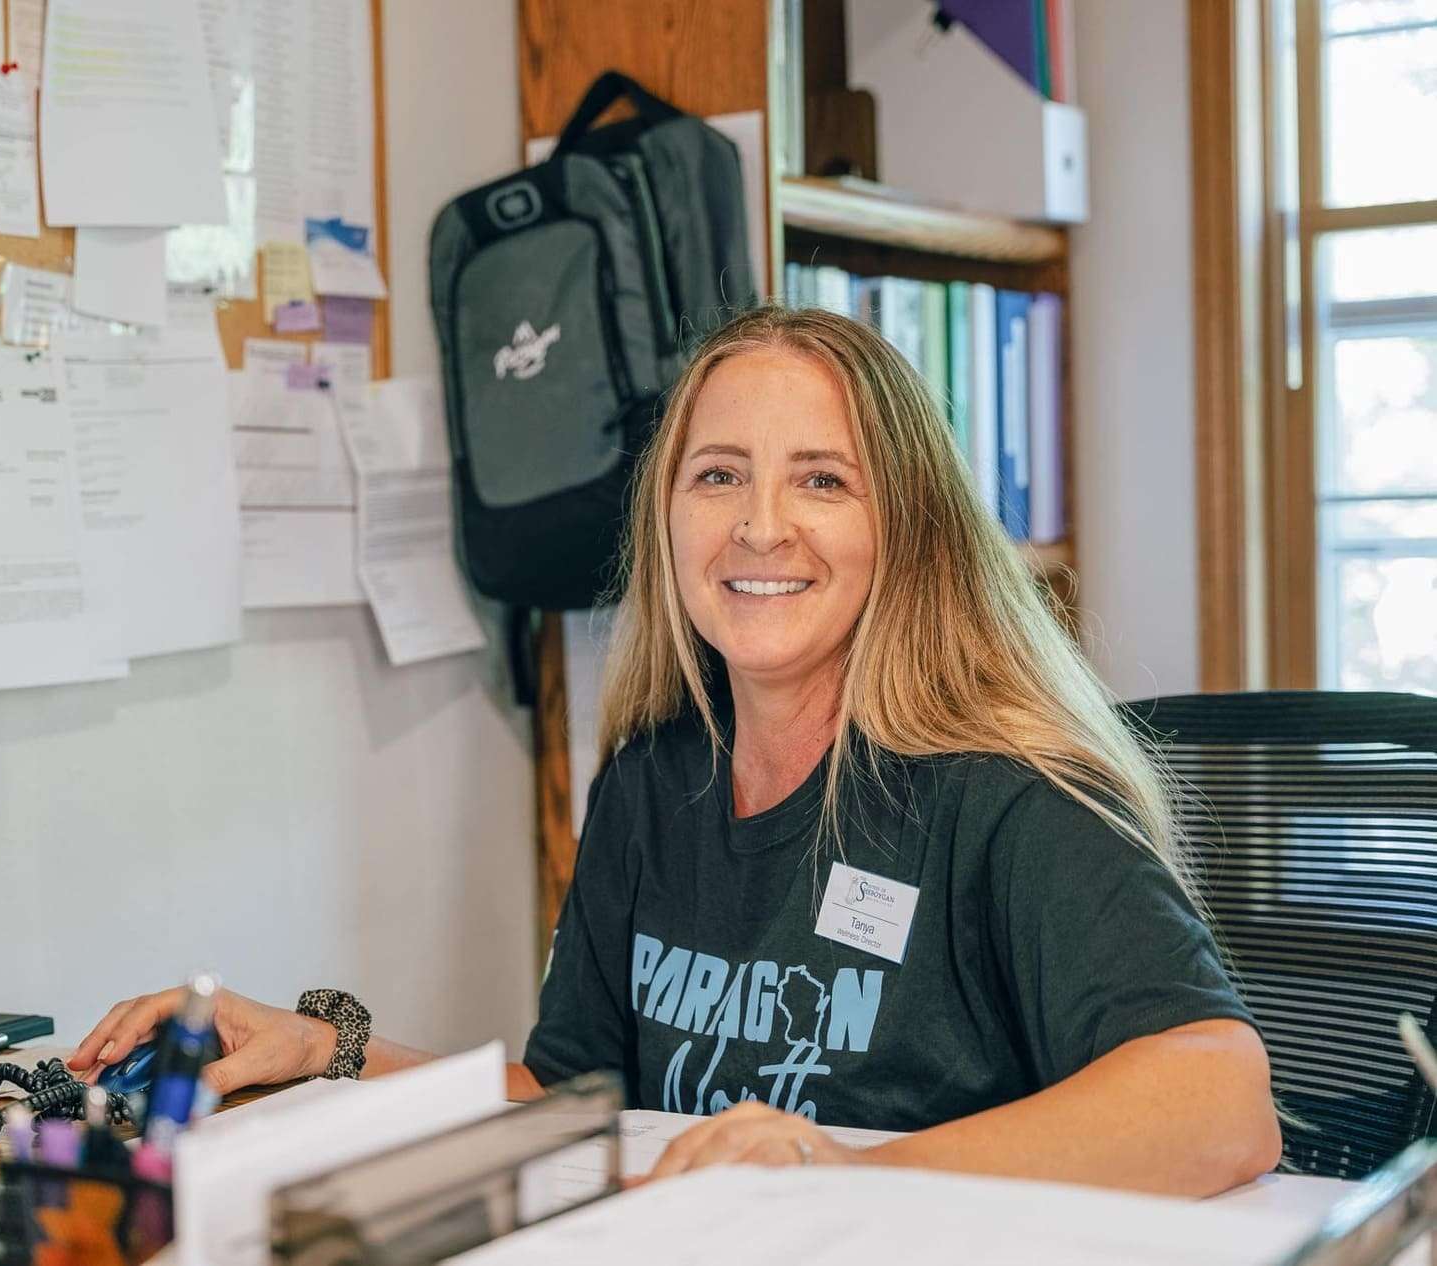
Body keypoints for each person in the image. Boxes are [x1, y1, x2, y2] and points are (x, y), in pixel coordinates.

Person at [69, 307, 1281, 1197]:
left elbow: (1220, 1102)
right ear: (667, 517)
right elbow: (571, 1098)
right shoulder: (654, 778)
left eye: (822, 480)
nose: (759, 526)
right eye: (717, 476)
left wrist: (842, 1178)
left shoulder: (1007, 791)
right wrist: (325, 1050)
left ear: (907, 527)